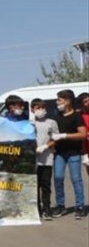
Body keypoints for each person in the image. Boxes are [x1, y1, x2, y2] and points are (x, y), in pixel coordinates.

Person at [51, 89, 86, 218]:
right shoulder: (57, 116)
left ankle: (80, 206)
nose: (57, 102)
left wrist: (65, 135)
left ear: (67, 101)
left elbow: (83, 134)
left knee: (76, 179)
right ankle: (60, 206)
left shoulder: (76, 116)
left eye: (59, 100)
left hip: (74, 153)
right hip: (59, 153)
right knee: (58, 178)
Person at [30, 98, 58, 221]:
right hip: (32, 160)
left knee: (46, 185)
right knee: (34, 185)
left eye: (43, 108)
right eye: (38, 108)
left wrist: (46, 146)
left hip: (47, 159)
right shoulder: (29, 123)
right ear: (32, 109)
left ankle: (47, 209)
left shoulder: (51, 122)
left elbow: (55, 139)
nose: (41, 110)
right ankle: (36, 209)